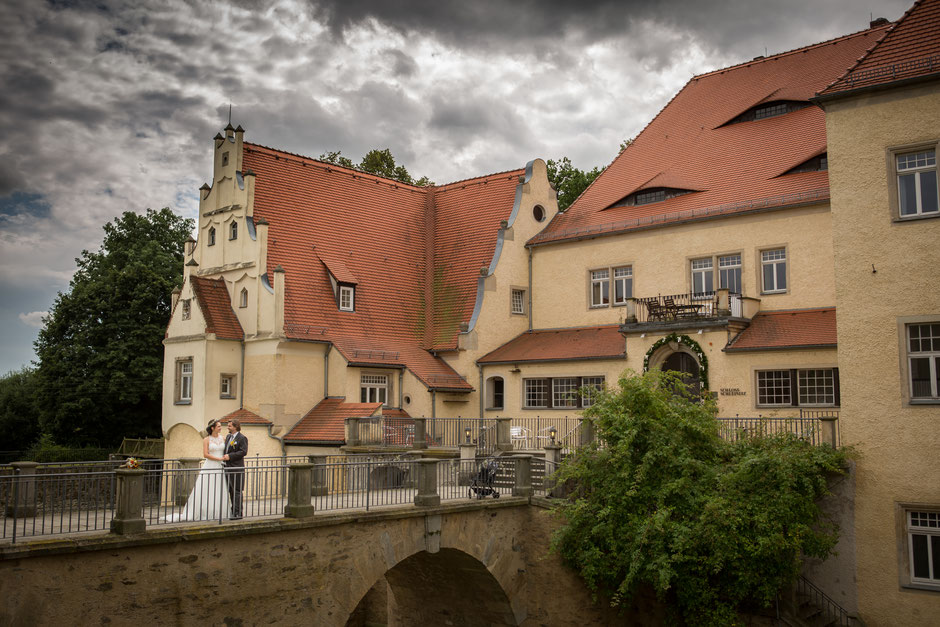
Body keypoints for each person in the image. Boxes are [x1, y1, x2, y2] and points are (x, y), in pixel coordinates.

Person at [164, 419, 230, 522]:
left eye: (221, 426)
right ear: (212, 428)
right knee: (207, 487)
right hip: (210, 465)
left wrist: (225, 457)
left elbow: (227, 450)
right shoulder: (207, 439)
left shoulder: (224, 438)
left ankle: (218, 511)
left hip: (220, 466)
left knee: (218, 488)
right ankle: (204, 511)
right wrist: (219, 459)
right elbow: (205, 454)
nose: (221, 428)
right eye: (219, 426)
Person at [223, 419, 248, 519]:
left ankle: (238, 513)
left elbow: (243, 452)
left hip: (237, 468)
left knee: (237, 491)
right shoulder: (228, 437)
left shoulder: (242, 438)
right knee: (230, 491)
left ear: (235, 427)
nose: (227, 427)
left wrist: (230, 456)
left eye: (229, 426)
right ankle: (233, 511)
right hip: (227, 468)